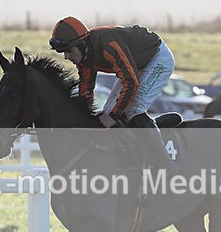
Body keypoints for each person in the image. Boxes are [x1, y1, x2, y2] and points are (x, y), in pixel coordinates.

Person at [49, 16, 177, 175]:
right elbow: (86, 90)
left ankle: (165, 163)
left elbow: (131, 82)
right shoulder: (83, 58)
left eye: (69, 51)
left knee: (133, 110)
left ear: (81, 44)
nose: (67, 57)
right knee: (107, 113)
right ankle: (151, 130)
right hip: (136, 63)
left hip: (157, 59)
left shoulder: (109, 45)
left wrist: (115, 115)